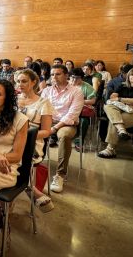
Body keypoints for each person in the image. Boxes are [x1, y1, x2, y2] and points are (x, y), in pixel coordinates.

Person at [40, 65, 83, 193]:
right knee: (29, 130)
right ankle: (32, 165)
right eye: (52, 75)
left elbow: (72, 114)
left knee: (64, 136)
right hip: (48, 120)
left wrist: (54, 128)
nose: (54, 77)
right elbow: (41, 108)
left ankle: (60, 175)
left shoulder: (76, 91)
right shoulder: (47, 90)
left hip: (67, 123)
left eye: (58, 74)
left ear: (66, 75)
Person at [15, 69, 54, 212]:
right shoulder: (13, 99)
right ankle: (29, 188)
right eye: (18, 81)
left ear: (34, 82)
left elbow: (46, 131)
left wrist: (24, 135)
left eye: (24, 81)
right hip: (9, 141)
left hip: (31, 144)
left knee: (10, 160)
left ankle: (26, 187)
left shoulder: (43, 103)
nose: (20, 84)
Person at [98, 68, 133, 159]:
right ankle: (122, 131)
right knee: (108, 106)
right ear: (128, 77)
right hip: (122, 110)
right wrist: (129, 103)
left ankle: (110, 149)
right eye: (132, 75)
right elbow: (112, 98)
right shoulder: (122, 86)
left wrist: (121, 99)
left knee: (115, 121)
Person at [68, 68, 97, 151]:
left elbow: (92, 101)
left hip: (81, 110)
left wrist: (79, 101)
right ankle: (54, 137)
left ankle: (79, 142)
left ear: (81, 78)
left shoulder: (87, 87)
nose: (74, 79)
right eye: (72, 77)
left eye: (77, 77)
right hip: (66, 109)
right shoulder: (66, 85)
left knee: (84, 121)